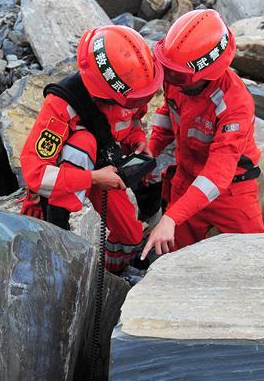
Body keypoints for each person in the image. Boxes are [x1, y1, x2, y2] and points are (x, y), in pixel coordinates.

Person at [19, 25, 163, 274]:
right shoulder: (61, 105)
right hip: (68, 183)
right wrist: (94, 178)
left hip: (104, 168)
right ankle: (59, 228)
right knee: (83, 142)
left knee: (130, 235)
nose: (137, 104)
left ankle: (113, 276)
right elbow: (35, 174)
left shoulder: (129, 89)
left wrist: (137, 141)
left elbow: (132, 122)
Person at [141, 9, 264, 259]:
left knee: (258, 258)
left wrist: (171, 217)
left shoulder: (235, 105)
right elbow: (168, 111)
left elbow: (218, 175)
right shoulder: (176, 76)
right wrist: (151, 151)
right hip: (186, 179)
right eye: (168, 69)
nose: (169, 78)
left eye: (178, 75)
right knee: (175, 258)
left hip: (232, 191)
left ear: (207, 73)